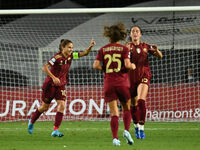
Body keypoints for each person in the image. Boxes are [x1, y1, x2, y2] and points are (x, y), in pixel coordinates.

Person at [28, 38, 96, 137]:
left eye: (72, 48)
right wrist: (53, 77)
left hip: (61, 85)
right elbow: (45, 67)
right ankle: (32, 120)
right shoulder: (56, 57)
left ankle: (55, 130)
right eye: (69, 47)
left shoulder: (71, 56)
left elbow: (84, 53)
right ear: (63, 47)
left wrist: (90, 47)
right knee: (44, 107)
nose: (71, 50)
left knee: (62, 105)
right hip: (50, 85)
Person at [93, 22, 136, 146]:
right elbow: (127, 65)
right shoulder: (124, 49)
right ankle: (127, 131)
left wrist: (105, 69)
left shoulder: (103, 49)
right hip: (122, 83)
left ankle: (115, 138)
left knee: (114, 113)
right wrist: (132, 66)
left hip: (109, 83)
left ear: (109, 36)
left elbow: (95, 65)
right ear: (121, 36)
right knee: (127, 107)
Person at [126, 25, 163, 139]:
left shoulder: (146, 46)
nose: (135, 33)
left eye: (137, 31)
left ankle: (141, 129)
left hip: (144, 76)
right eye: (133, 31)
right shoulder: (127, 47)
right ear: (130, 34)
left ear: (140, 34)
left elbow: (160, 56)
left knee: (141, 101)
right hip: (131, 78)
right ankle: (136, 126)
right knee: (133, 104)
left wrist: (156, 50)